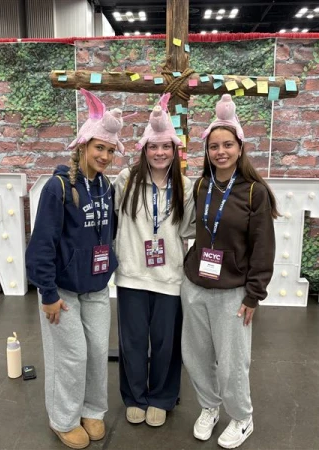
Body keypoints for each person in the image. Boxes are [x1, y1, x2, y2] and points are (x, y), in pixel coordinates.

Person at [26, 89, 124, 450]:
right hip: (62, 292)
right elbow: (41, 244)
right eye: (100, 147)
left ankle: (93, 410)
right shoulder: (57, 187)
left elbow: (107, 234)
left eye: (111, 150)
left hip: (96, 288)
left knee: (97, 352)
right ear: (83, 145)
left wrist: (107, 268)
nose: (105, 156)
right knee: (70, 356)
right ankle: (63, 418)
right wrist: (47, 293)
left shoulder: (106, 187)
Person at [181, 94, 278, 449]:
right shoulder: (203, 186)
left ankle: (242, 417)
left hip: (233, 291)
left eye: (227, 145)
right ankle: (209, 407)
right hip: (194, 285)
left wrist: (254, 294)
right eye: (214, 147)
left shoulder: (254, 192)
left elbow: (263, 247)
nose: (220, 152)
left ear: (239, 148)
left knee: (233, 362)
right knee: (195, 354)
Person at [114, 93, 196, 427]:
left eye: (166, 147)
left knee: (166, 344)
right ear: (144, 149)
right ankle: (135, 396)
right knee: (132, 343)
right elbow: (113, 221)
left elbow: (189, 229)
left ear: (175, 151)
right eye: (153, 147)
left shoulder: (186, 186)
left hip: (170, 278)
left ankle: (161, 396)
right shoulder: (125, 180)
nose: (159, 153)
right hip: (132, 274)